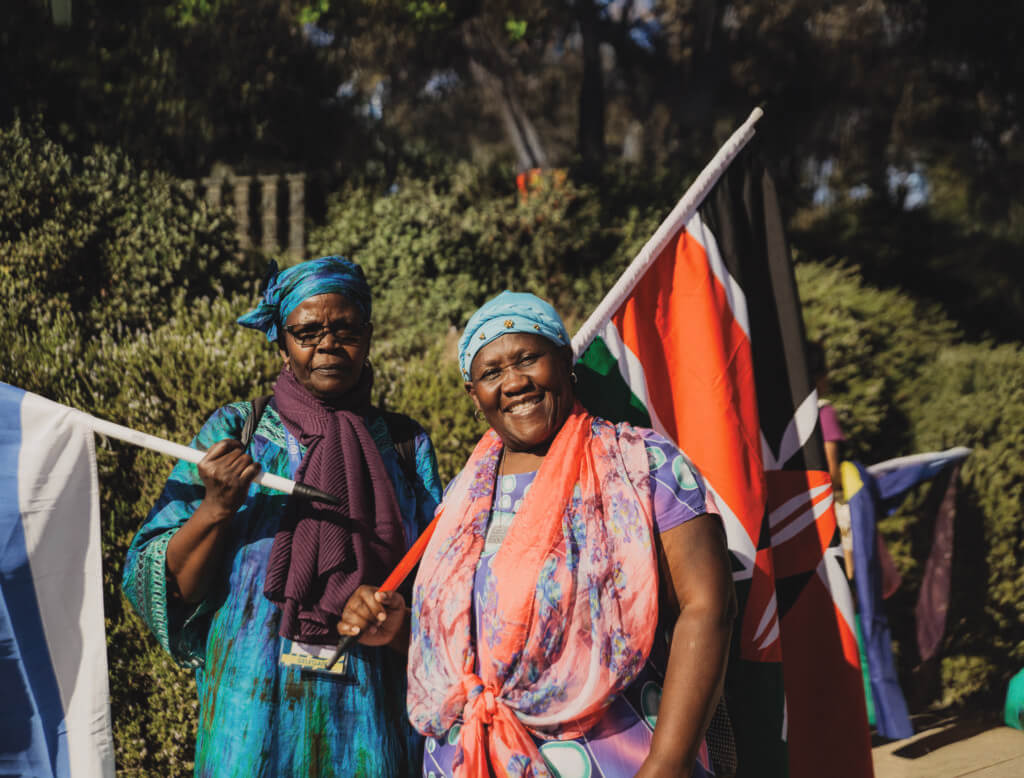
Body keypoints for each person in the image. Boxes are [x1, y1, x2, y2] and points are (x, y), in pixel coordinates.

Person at [342, 291, 735, 777]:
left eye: (528, 359)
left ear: (565, 361)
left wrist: (667, 764)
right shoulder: (463, 498)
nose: (514, 382)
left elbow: (709, 608)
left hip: (615, 758)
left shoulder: (644, 465)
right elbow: (473, 646)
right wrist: (397, 629)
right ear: (474, 394)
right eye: (492, 372)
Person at [122, 256, 442, 777]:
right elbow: (169, 584)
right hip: (248, 722)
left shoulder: (405, 445)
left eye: (345, 330)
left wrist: (397, 620)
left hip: (369, 723)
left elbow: (441, 592)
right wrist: (216, 507)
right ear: (281, 342)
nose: (328, 345)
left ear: (368, 336)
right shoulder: (236, 432)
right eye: (308, 332)